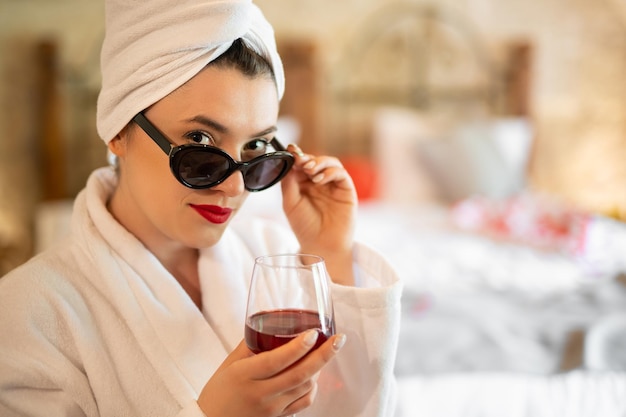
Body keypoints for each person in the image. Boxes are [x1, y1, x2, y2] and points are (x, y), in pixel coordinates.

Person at [0, 1, 402, 416]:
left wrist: (332, 253)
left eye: (256, 148)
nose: (235, 185)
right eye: (201, 144)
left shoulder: (278, 261)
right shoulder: (25, 317)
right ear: (119, 130)